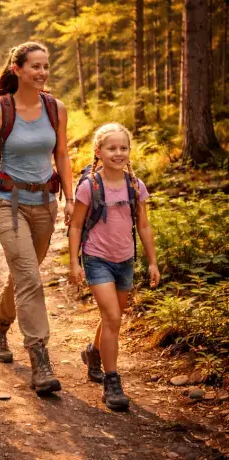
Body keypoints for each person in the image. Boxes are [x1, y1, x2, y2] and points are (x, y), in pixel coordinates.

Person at [0, 42, 74, 395]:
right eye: (35, 66)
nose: (42, 73)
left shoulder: (56, 109)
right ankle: (39, 356)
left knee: (23, 275)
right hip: (7, 202)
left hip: (45, 202)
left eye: (46, 66)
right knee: (30, 276)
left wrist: (71, 199)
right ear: (17, 69)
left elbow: (62, 155)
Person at [68, 122, 160, 411]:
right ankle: (112, 382)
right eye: (111, 148)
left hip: (125, 260)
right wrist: (74, 262)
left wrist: (153, 262)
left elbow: (143, 225)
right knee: (113, 317)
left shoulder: (135, 185)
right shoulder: (90, 186)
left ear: (129, 152)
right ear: (99, 152)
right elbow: (76, 226)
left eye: (123, 148)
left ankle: (94, 353)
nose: (118, 153)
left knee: (113, 316)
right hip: (97, 258)